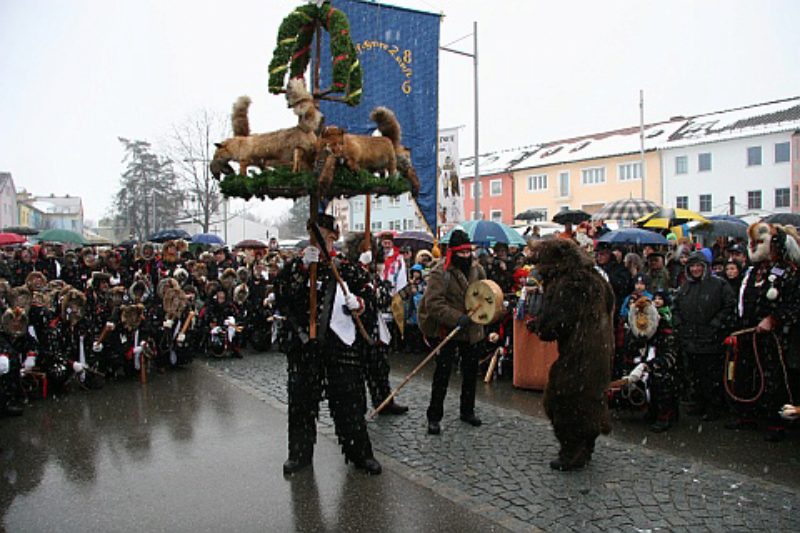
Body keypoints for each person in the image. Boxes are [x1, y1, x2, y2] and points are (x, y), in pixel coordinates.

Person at [275, 214, 381, 475]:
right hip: (305, 346)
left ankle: (360, 454)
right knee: (301, 403)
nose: (318, 239)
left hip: (340, 344)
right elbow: (282, 298)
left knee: (349, 403)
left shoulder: (345, 267)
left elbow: (371, 293)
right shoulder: (295, 267)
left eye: (323, 234)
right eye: (314, 233)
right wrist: (301, 270)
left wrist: (361, 303)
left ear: (333, 236)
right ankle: (299, 455)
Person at [418, 228, 486, 435]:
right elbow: (433, 303)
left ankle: (467, 411)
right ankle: (434, 416)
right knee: (442, 374)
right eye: (461, 253)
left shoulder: (477, 269)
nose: (465, 256)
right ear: (452, 252)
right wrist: (457, 318)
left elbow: (485, 292)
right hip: (448, 329)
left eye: (468, 252)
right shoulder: (440, 272)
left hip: (472, 329)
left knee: (470, 372)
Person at [672, 251, 736, 422]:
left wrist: (716, 323)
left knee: (711, 376)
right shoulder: (685, 287)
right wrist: (679, 324)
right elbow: (675, 306)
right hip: (690, 338)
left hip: (711, 338)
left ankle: (713, 407)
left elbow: (729, 305)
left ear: (705, 267)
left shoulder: (718, 284)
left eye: (698, 265)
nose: (695, 269)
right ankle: (699, 403)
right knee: (695, 375)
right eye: (692, 266)